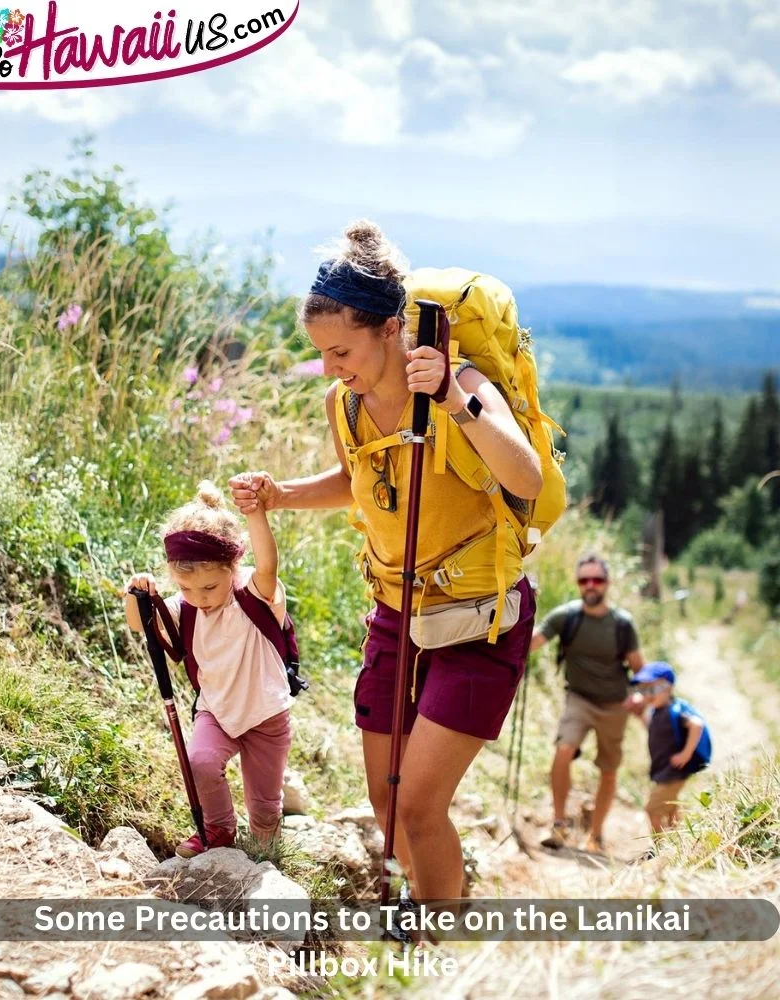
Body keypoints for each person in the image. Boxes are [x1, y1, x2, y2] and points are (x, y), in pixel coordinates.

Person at [230, 220, 543, 903]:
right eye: (321, 353)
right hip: (395, 612)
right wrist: (281, 496)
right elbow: (356, 481)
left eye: (342, 349)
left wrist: (454, 403)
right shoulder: (343, 403)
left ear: (392, 328)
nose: (331, 367)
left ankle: (443, 946)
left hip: (477, 619)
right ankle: (423, 914)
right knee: (385, 802)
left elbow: (525, 479)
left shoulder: (461, 382)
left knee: (420, 807)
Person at [125, 480, 292, 857]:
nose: (199, 598)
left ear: (233, 568)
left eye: (210, 588)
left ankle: (267, 852)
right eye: (186, 588)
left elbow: (268, 563)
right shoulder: (185, 609)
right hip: (216, 709)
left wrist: (255, 512)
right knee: (200, 761)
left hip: (266, 714)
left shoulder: (253, 593)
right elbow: (140, 623)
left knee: (265, 805)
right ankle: (218, 830)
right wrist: (134, 593)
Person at [529, 554, 645, 853]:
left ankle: (596, 834)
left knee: (608, 770)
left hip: (614, 705)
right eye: (584, 580)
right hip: (579, 698)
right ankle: (559, 825)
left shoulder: (622, 624)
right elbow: (533, 642)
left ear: (607, 583)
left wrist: (642, 696)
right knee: (563, 749)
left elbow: (639, 668)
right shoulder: (566, 617)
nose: (591, 585)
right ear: (578, 584)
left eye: (597, 579)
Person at [629, 662, 708, 841]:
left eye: (652, 689)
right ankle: (680, 842)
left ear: (668, 688)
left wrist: (686, 754)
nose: (647, 695)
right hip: (664, 769)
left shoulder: (674, 710)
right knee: (671, 808)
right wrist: (641, 716)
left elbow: (697, 724)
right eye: (644, 690)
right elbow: (654, 731)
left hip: (674, 771)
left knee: (652, 809)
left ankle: (661, 846)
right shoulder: (658, 712)